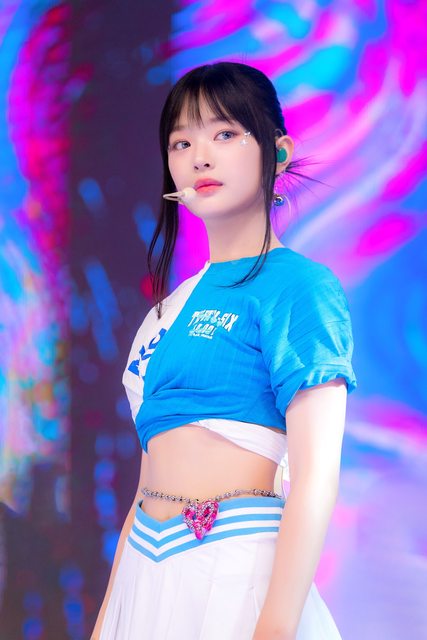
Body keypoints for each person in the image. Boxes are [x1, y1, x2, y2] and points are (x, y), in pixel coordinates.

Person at [92, 61, 357, 640]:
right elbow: (145, 485)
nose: (200, 157)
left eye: (225, 133)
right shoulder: (166, 312)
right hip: (145, 572)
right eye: (181, 142)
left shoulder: (300, 287)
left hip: (241, 574)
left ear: (277, 153)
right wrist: (108, 620)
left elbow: (316, 481)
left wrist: (275, 629)